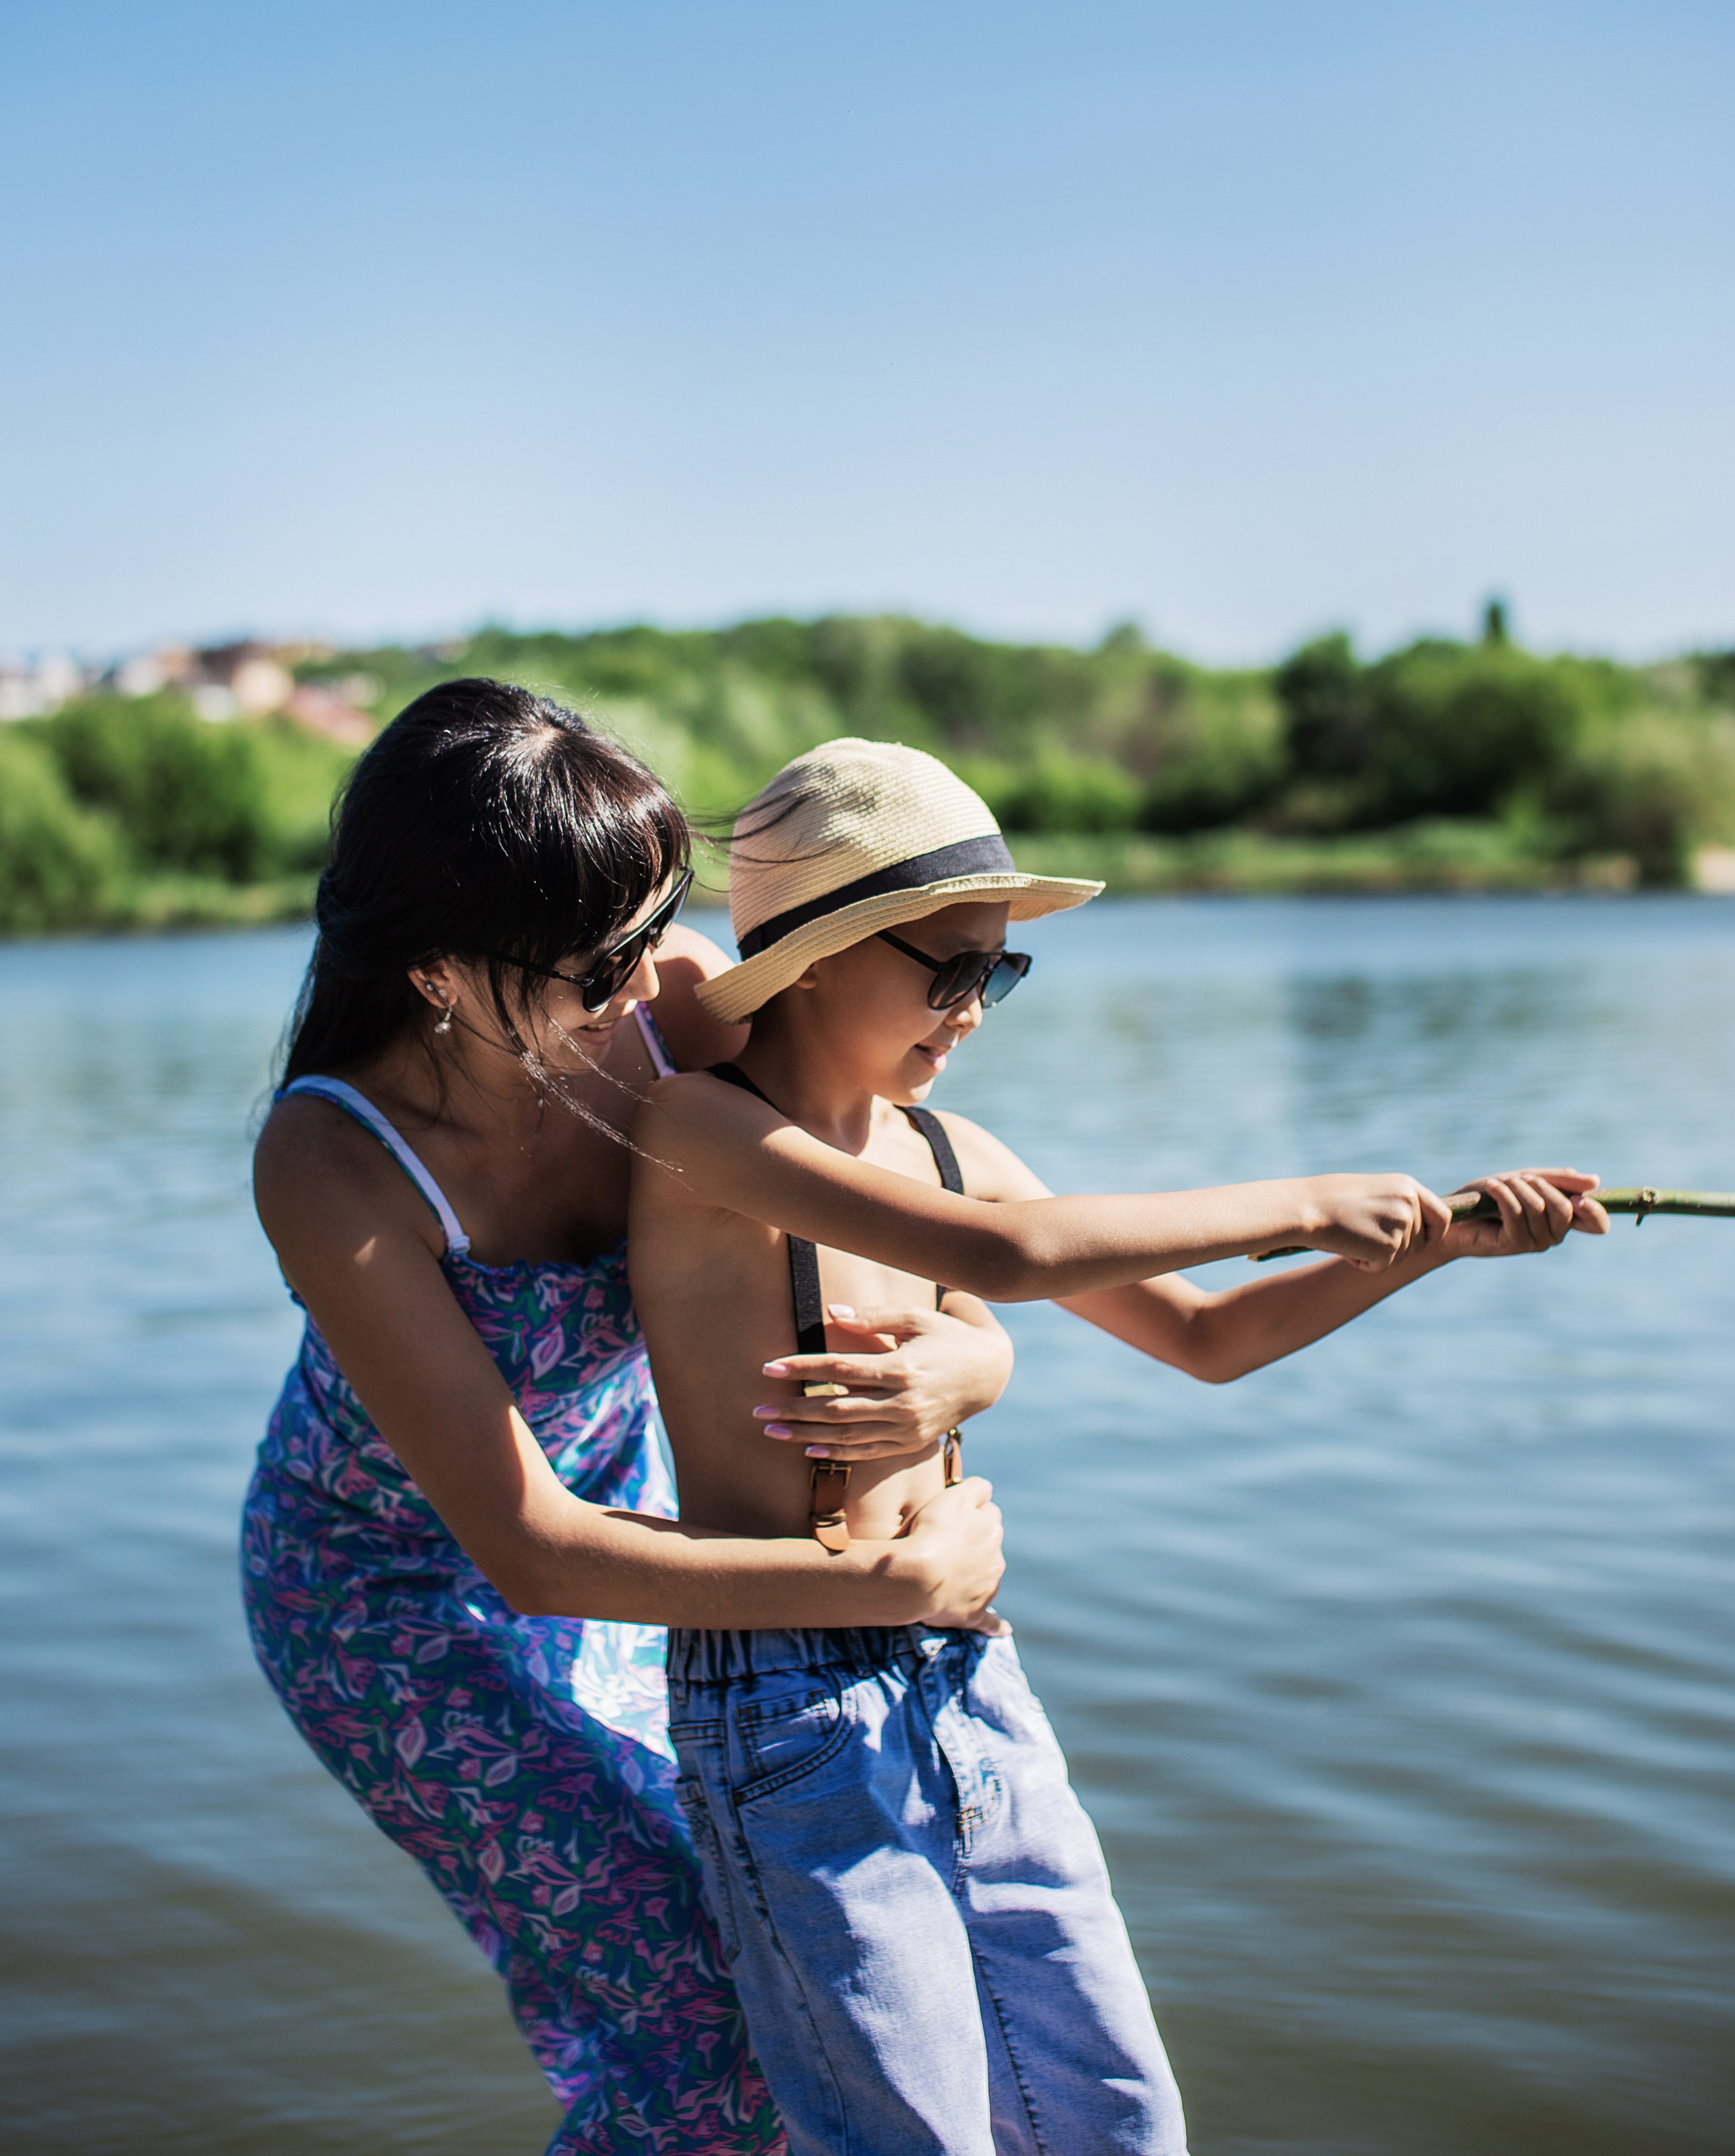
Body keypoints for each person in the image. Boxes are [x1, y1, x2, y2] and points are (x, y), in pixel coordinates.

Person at [629, 737, 1612, 2156]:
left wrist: (1436, 1245)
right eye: (949, 969)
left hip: (968, 1674)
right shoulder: (704, 1131)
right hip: (785, 1709)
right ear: (819, 955)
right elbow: (1013, 1257)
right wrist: (1310, 1194)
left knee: (1114, 2120)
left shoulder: (951, 1145)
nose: (974, 1009)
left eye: (1000, 974)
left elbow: (1205, 1340)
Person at [242, 681, 1017, 2156]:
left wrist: (965, 1371)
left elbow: (912, 1217)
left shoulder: (663, 1015)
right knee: (705, 2021)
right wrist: (888, 1588)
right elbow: (525, 1549)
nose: (662, 965)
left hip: (641, 1548)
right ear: (438, 973)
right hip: (399, 1609)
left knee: (804, 1973)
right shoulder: (331, 1158)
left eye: (659, 911)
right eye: (604, 950)